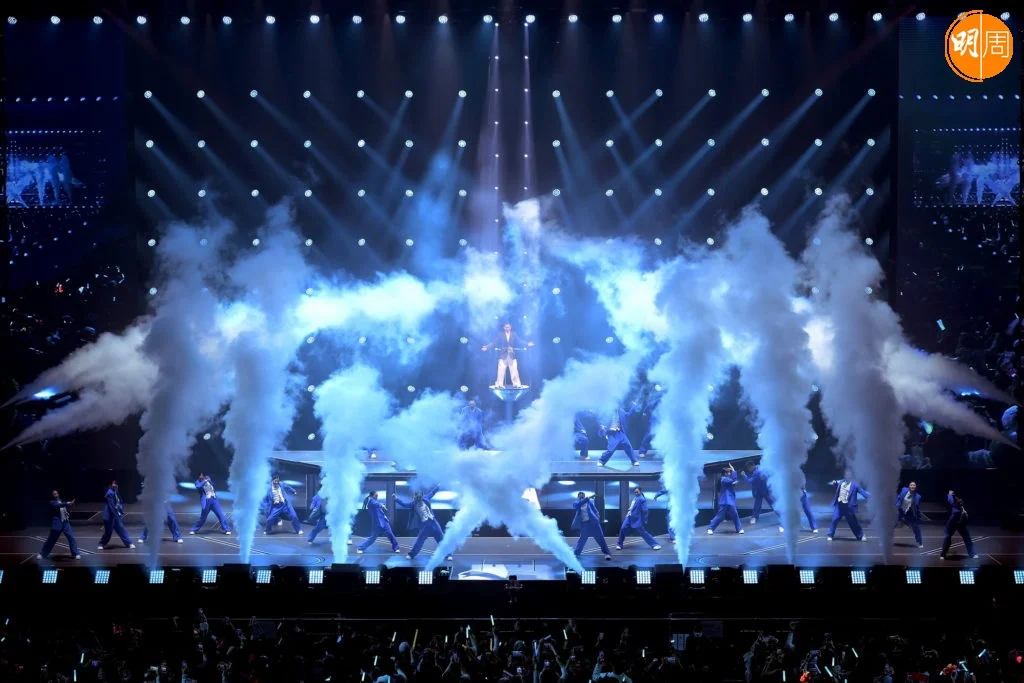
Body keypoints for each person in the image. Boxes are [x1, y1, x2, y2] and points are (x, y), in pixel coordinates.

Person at [395, 486, 452, 561]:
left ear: (422, 496)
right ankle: (411, 555)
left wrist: (438, 486)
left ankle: (448, 555)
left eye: (419, 496)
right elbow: (404, 504)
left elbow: (433, 492)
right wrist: (396, 498)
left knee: (441, 539)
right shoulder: (413, 504)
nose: (418, 498)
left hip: (433, 522)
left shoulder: (426, 498)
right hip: (425, 525)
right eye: (417, 496)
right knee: (419, 541)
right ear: (415, 497)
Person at [481, 323, 534, 388]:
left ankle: (516, 384)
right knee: (501, 370)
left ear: (510, 328)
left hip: (511, 355)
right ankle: (499, 384)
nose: (507, 328)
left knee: (514, 370)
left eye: (508, 327)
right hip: (503, 355)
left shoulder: (513, 334)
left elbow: (519, 341)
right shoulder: (500, 334)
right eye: (506, 327)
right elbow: (494, 342)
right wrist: (487, 347)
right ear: (504, 328)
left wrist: (527, 344)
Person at [826, 469, 870, 542]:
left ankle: (861, 535)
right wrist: (834, 482)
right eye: (846, 474)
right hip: (839, 506)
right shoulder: (841, 481)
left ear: (851, 475)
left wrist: (869, 497)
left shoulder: (855, 484)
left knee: (853, 522)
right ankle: (830, 535)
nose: (847, 475)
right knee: (834, 519)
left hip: (848, 507)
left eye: (849, 474)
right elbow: (836, 483)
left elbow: (862, 492)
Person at [38, 491, 80, 560]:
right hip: (57, 524)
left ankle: (75, 553)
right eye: (54, 494)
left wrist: (70, 506)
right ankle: (42, 554)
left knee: (71, 537)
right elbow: (58, 505)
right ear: (52, 495)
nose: (56, 494)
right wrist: (68, 503)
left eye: (57, 493)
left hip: (65, 522)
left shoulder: (61, 501)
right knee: (51, 540)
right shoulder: (52, 502)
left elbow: (65, 509)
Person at [597, 402, 641, 467]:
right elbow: (600, 420)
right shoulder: (607, 411)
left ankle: (634, 461)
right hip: (611, 433)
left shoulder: (621, 411)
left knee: (628, 445)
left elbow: (628, 415)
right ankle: (601, 460)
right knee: (611, 449)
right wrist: (602, 426)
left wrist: (633, 407)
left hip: (620, 432)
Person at [571, 492, 612, 559]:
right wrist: (589, 497)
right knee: (582, 539)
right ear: (578, 497)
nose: (581, 497)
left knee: (600, 538)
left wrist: (597, 516)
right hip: (585, 524)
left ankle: (607, 553)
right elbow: (579, 504)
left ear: (584, 496)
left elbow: (595, 510)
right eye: (580, 496)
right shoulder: (576, 503)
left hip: (594, 523)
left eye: (582, 496)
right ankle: (576, 553)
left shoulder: (589, 502)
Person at [741, 461, 780, 531]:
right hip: (759, 490)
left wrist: (744, 475)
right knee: (757, 505)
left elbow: (749, 481)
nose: (748, 470)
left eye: (748, 468)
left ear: (751, 467)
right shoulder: (758, 468)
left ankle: (781, 516)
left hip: (765, 490)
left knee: (772, 504)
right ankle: (754, 517)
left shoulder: (757, 472)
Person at [940, 490, 978, 560]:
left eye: (961, 499)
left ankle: (972, 554)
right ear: (957, 499)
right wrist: (950, 494)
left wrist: (965, 515)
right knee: (947, 537)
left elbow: (964, 516)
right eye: (959, 499)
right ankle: (943, 554)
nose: (961, 500)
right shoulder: (955, 507)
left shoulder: (962, 507)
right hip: (952, 523)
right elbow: (950, 499)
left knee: (967, 537)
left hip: (961, 524)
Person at [98, 480, 135, 550]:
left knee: (121, 529)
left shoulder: (115, 491)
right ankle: (101, 543)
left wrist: (119, 511)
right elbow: (111, 506)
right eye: (114, 483)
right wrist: (116, 515)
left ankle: (129, 543)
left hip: (116, 515)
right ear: (110, 485)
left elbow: (119, 501)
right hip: (110, 516)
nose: (115, 485)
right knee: (108, 533)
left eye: (116, 483)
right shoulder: (109, 493)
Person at [708, 465, 744, 535]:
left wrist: (734, 482)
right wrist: (733, 470)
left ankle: (739, 529)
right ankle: (710, 528)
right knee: (720, 516)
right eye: (728, 472)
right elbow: (734, 480)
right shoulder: (723, 479)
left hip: (730, 501)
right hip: (725, 501)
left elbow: (733, 482)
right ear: (725, 473)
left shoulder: (727, 480)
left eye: (730, 472)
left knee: (735, 515)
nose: (730, 473)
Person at [895, 481, 924, 548]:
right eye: (911, 485)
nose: (912, 486)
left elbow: (916, 507)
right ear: (909, 486)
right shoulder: (904, 490)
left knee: (916, 527)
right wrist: (897, 504)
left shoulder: (918, 496)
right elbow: (899, 497)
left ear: (915, 487)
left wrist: (918, 515)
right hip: (900, 511)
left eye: (914, 485)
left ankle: (920, 542)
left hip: (909, 513)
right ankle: (885, 540)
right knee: (891, 525)